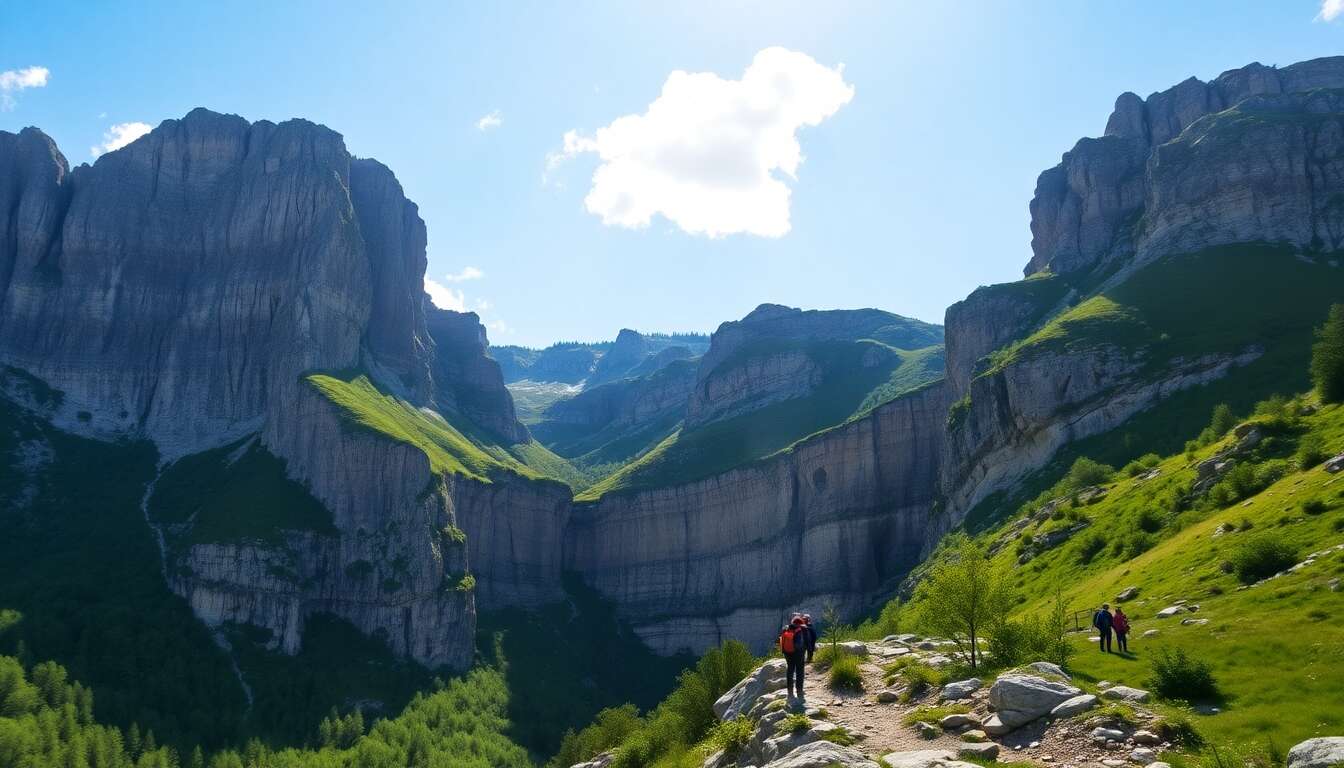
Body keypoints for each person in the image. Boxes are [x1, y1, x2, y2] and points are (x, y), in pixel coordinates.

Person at [778, 615, 807, 699]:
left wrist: (784, 651)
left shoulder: (786, 629)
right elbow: (803, 642)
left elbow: (780, 640)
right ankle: (799, 691)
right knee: (799, 672)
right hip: (798, 654)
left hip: (787, 653)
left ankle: (790, 692)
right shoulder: (801, 629)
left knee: (790, 671)